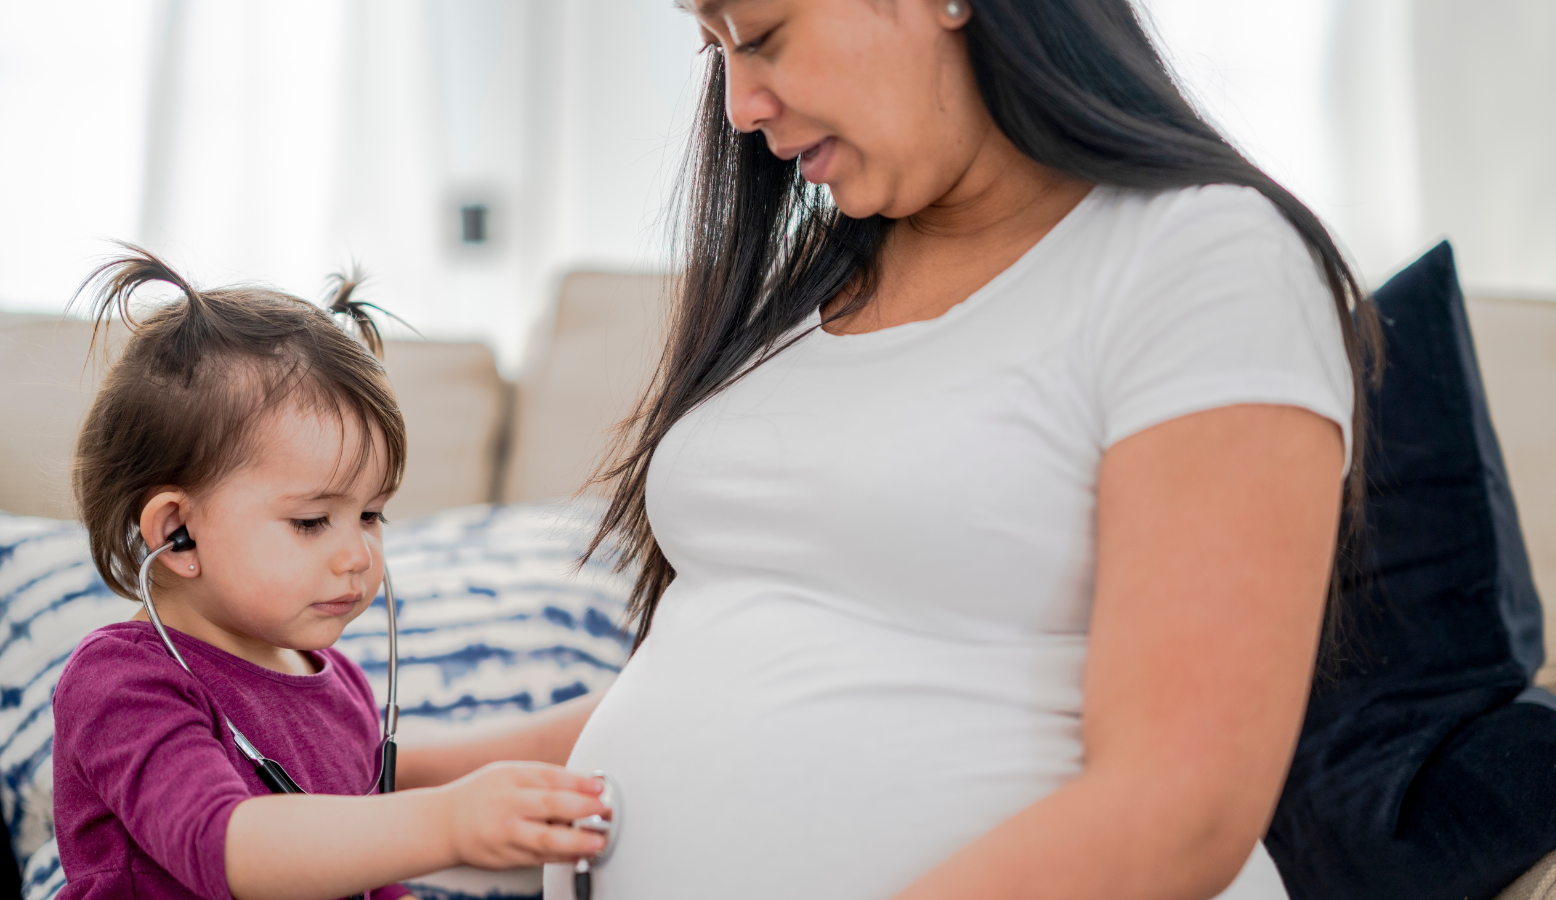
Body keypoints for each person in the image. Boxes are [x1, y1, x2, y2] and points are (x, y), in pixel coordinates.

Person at [413, 0, 1380, 897]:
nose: (739, 108)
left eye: (761, 34)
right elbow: (731, 673)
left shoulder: (1204, 257)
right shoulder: (812, 281)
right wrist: (378, 773)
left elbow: (1177, 808)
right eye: (714, 51)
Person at [52, 249, 610, 900]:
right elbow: (224, 845)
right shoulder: (122, 682)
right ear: (178, 531)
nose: (358, 555)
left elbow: (364, 863)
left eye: (371, 515)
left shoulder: (332, 680)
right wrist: (448, 823)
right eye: (312, 521)